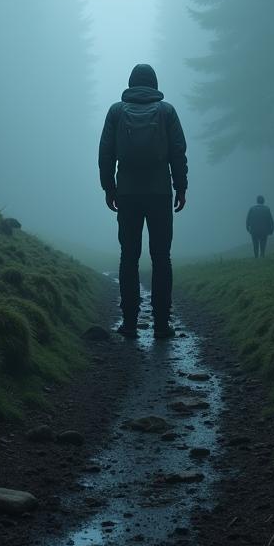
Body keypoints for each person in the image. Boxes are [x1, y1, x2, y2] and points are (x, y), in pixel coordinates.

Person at [98, 63, 188, 339]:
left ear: (131, 82)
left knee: (129, 257)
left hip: (127, 193)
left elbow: (106, 153)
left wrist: (109, 188)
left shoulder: (116, 111)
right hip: (160, 193)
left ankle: (129, 323)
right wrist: (180, 187)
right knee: (162, 258)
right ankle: (161, 324)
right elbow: (178, 152)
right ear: (154, 84)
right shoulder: (167, 111)